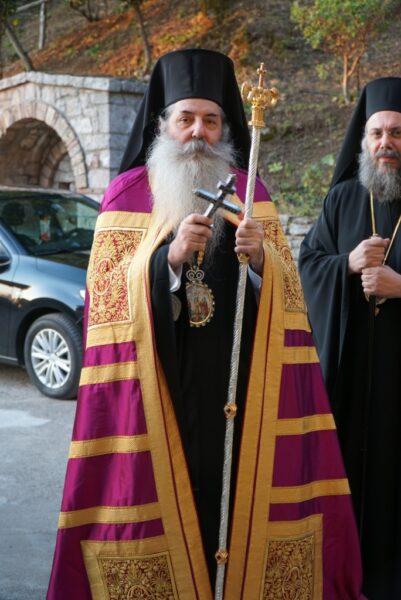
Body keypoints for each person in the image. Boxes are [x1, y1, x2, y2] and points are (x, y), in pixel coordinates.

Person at [47, 48, 364, 599]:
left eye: (211, 120)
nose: (198, 132)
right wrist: (167, 261)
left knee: (232, 508)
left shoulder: (251, 192)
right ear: (163, 125)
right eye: (186, 118)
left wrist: (262, 261)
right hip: (161, 392)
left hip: (238, 394)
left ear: (225, 128)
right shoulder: (127, 194)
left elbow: (291, 303)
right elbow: (107, 306)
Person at [299, 76, 401, 599]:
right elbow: (307, 266)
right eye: (377, 133)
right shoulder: (341, 199)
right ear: (363, 140)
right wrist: (347, 264)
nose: (386, 143)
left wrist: (400, 286)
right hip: (351, 374)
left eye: (397, 133)